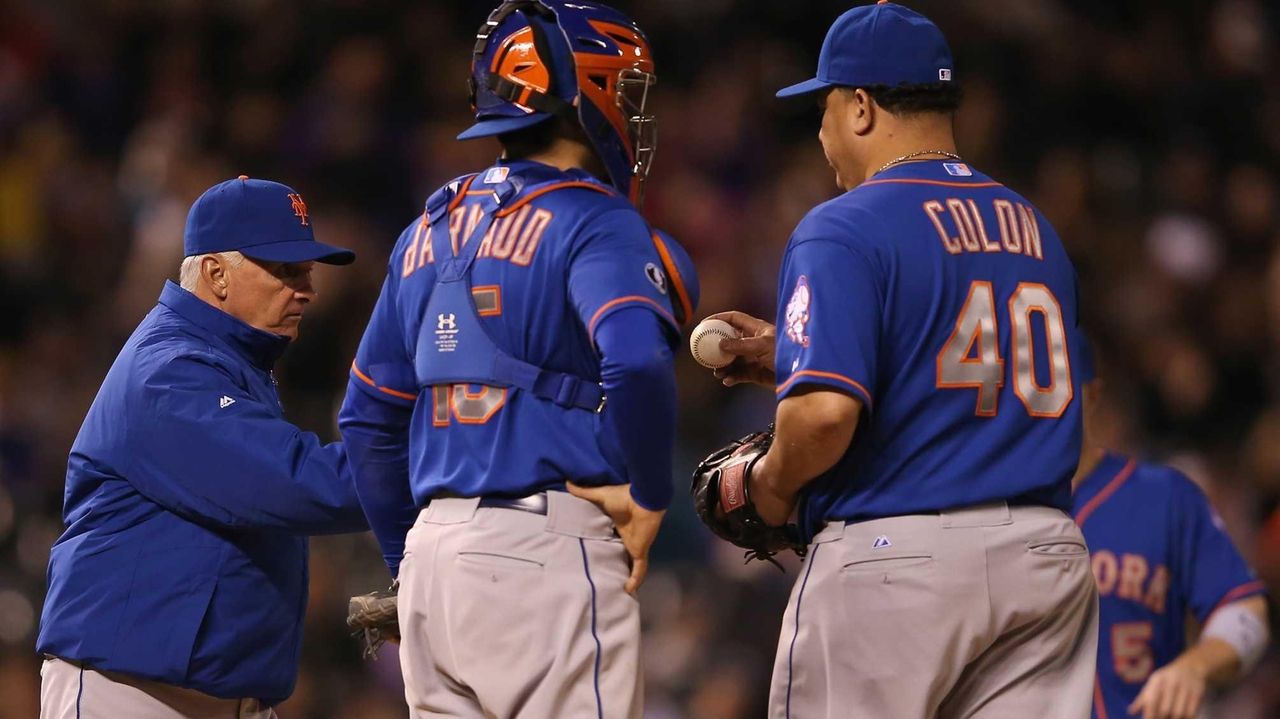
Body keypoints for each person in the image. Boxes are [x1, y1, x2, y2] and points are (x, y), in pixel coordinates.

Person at [709, 3, 1098, 717]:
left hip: (900, 566)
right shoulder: (1034, 227)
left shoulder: (844, 224)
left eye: (822, 109)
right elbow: (981, 370)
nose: (821, 134)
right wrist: (801, 352)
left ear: (860, 108)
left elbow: (824, 416)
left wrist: (765, 485)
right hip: (1045, 557)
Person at [337, 1, 694, 717]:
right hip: (544, 552)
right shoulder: (594, 216)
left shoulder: (424, 229)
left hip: (433, 562)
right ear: (580, 91)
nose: (633, 108)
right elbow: (638, 363)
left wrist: (410, 563)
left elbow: (367, 421)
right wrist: (652, 494)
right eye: (622, 87)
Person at [37, 176, 369, 718]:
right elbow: (303, 485)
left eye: (307, 270)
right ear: (215, 273)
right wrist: (444, 460)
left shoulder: (231, 363)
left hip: (218, 698)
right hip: (130, 695)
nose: (306, 288)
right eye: (285, 270)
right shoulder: (171, 369)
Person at [1072, 340, 1270, 719]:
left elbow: (1245, 611)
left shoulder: (1162, 497)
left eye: (1058, 390)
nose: (1040, 408)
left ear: (1093, 396)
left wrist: (1196, 666)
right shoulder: (988, 508)